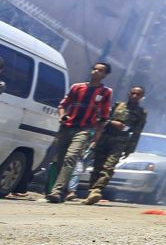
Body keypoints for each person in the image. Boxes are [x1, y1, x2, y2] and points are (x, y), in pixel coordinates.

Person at [45, 61, 113, 203]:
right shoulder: (77, 87)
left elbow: (104, 117)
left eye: (100, 70)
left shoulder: (105, 92)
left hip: (84, 130)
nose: (95, 72)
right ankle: (62, 190)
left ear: (105, 75)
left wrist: (97, 136)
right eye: (94, 69)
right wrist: (62, 115)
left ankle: (57, 191)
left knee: (71, 158)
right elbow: (63, 105)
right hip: (67, 127)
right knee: (61, 159)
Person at [83, 85, 147, 206]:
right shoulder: (117, 106)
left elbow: (137, 132)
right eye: (133, 93)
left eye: (138, 94)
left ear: (142, 97)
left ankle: (97, 189)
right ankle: (91, 191)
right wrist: (113, 123)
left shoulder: (141, 113)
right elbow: (102, 119)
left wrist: (130, 149)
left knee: (109, 167)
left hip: (120, 142)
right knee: (97, 165)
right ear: (129, 94)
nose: (135, 96)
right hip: (105, 138)